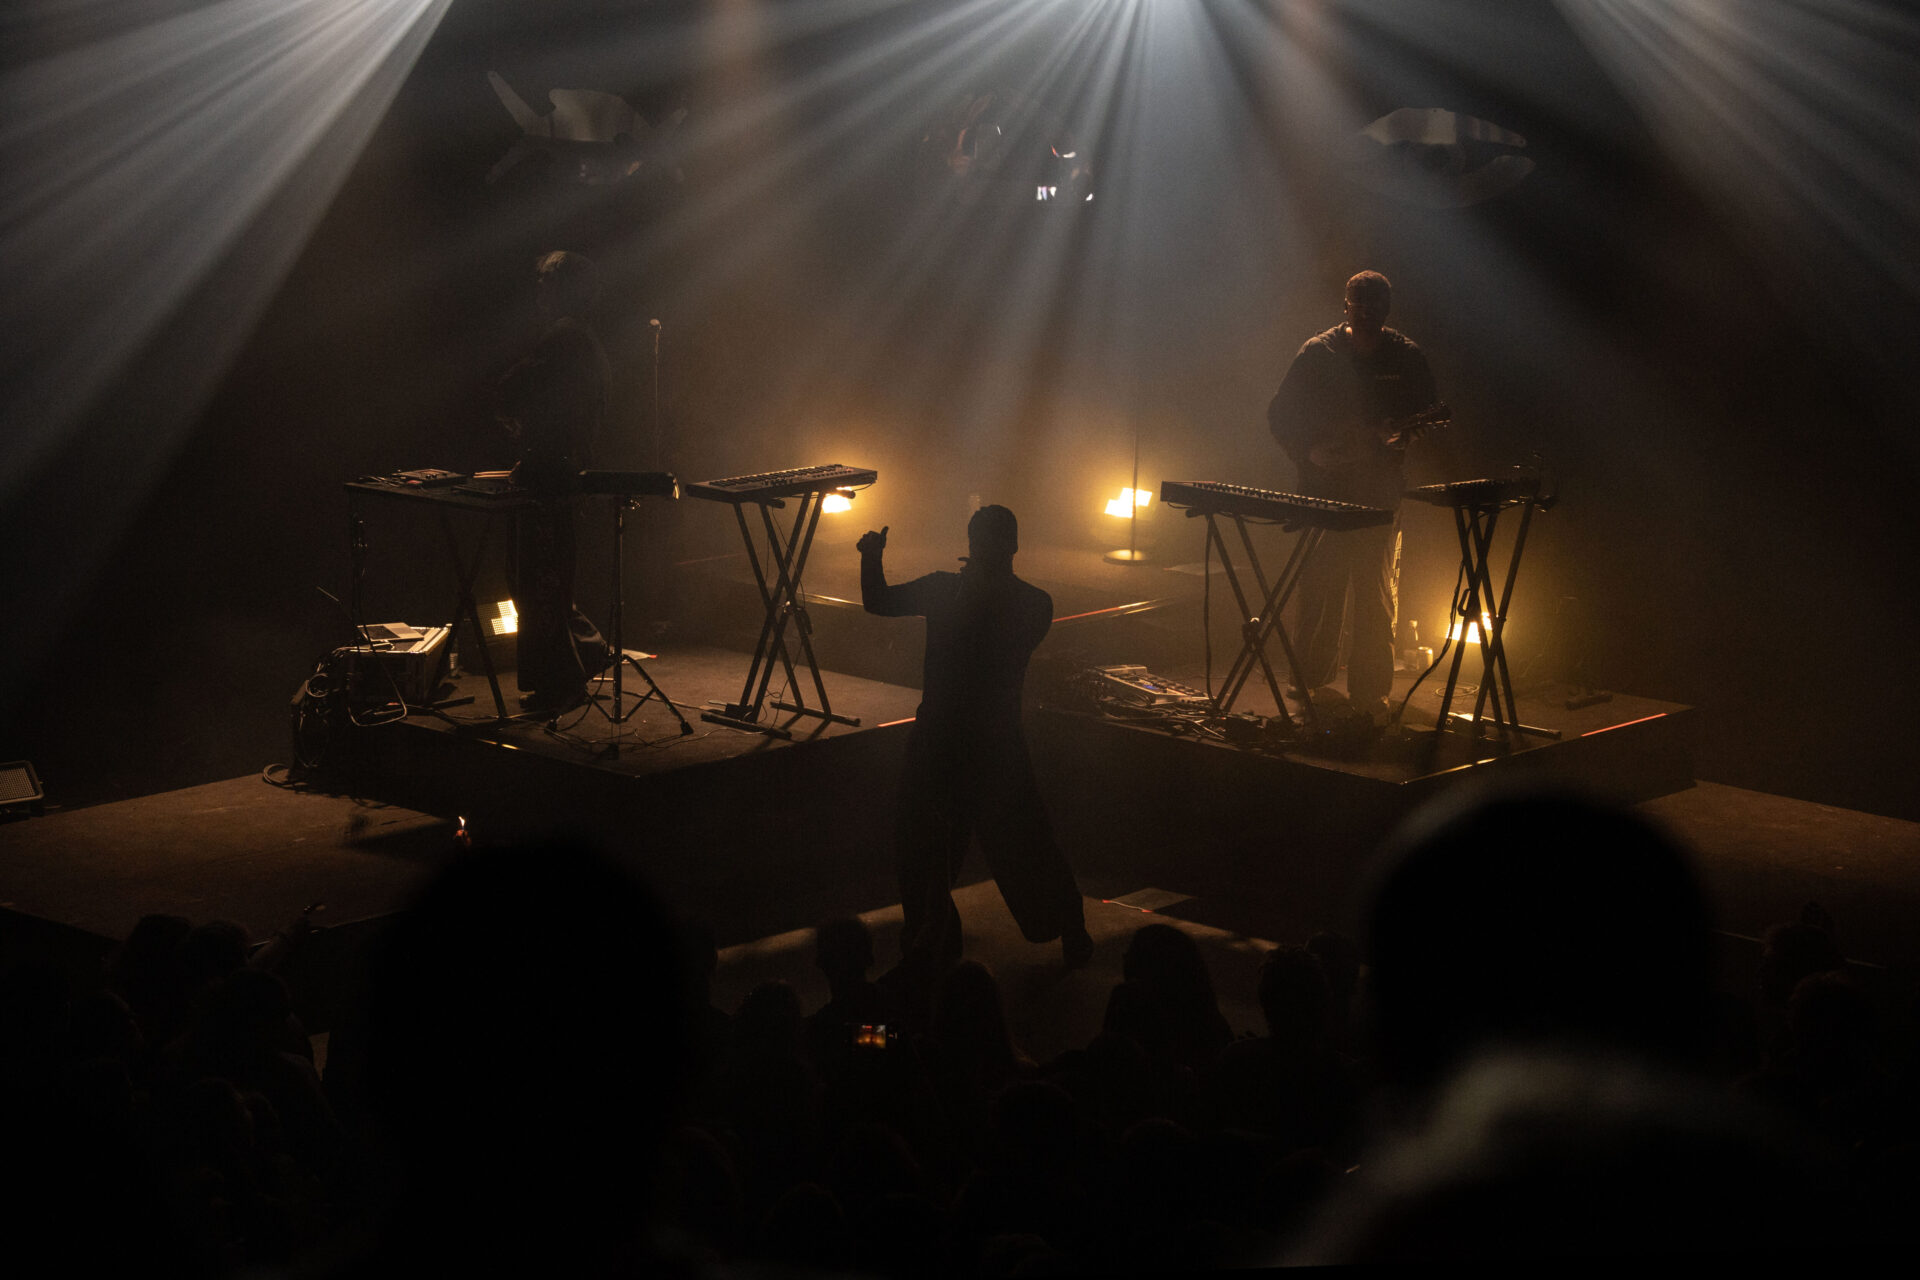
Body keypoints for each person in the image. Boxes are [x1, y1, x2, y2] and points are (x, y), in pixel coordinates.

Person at [858, 506, 1094, 973]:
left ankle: (938, 939)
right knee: (1008, 837)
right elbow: (881, 602)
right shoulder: (1028, 600)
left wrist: (872, 557)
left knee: (946, 839)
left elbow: (881, 601)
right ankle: (1060, 927)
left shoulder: (969, 593)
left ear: (975, 545)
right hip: (985, 740)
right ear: (1014, 546)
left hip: (958, 739)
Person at [1267, 270, 1438, 724]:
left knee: (1375, 593)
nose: (1364, 314)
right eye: (1357, 305)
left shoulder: (1406, 356)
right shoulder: (1318, 353)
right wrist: (1309, 452)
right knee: (1319, 586)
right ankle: (1309, 680)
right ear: (1345, 306)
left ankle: (1371, 690)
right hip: (1322, 489)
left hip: (1379, 492)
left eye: (1373, 306)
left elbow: (1425, 415)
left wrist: (1402, 436)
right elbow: (1281, 414)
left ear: (1387, 309)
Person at [497, 250, 611, 712]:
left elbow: (520, 390)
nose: (539, 290)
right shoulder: (579, 337)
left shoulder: (564, 338)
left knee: (540, 582)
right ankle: (578, 660)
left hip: (550, 475)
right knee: (548, 580)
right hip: (561, 471)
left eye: (545, 281)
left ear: (564, 287)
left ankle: (563, 678)